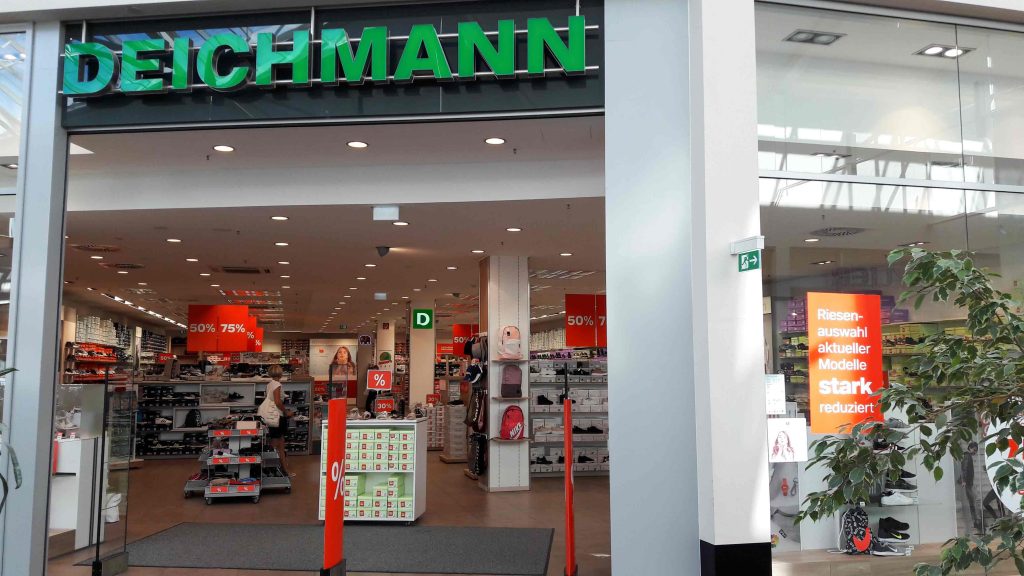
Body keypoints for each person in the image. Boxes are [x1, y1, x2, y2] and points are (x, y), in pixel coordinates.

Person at [266, 364, 295, 477]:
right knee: (277, 445)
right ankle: (277, 470)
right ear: (281, 373)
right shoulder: (277, 384)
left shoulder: (269, 384)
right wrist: (286, 411)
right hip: (277, 417)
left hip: (271, 416)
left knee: (278, 444)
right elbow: (278, 402)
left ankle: (282, 470)